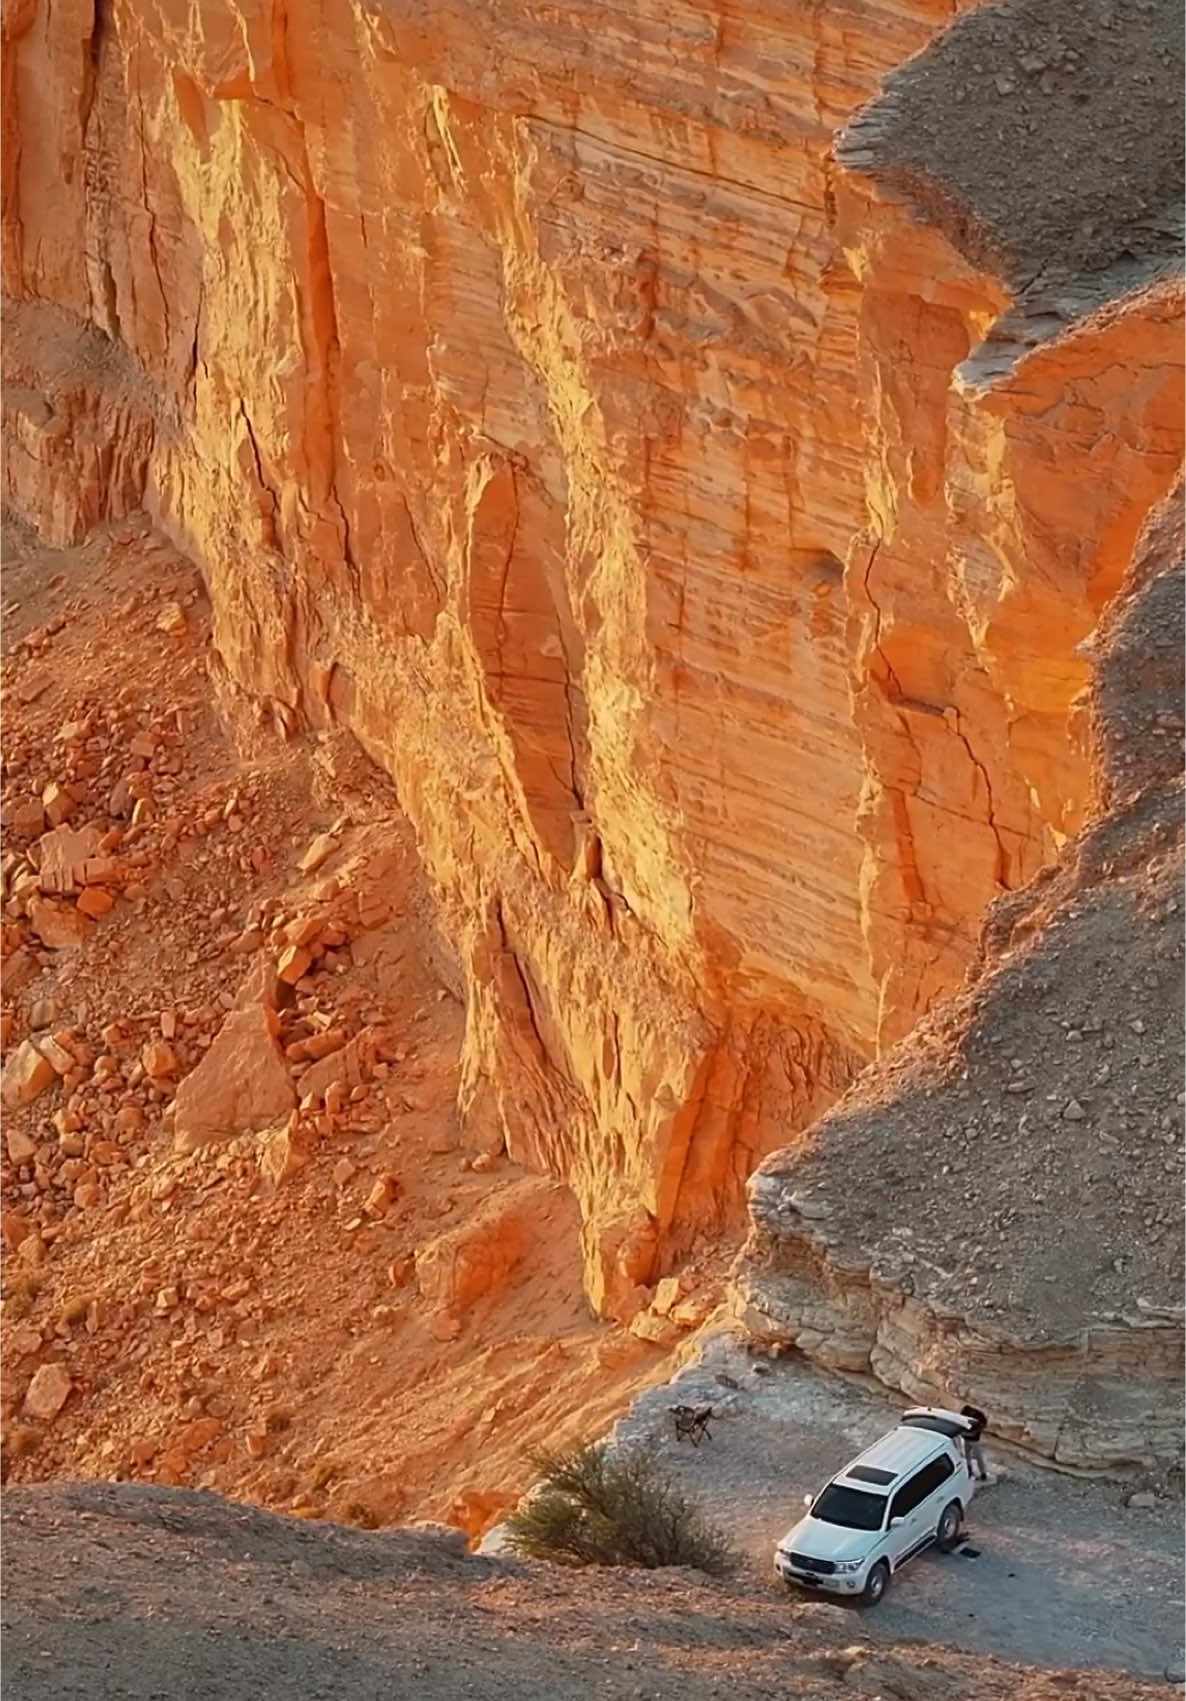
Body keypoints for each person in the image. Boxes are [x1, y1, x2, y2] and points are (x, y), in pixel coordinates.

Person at [960, 1404, 989, 1482]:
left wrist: (973, 1432)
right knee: (968, 1456)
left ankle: (983, 1474)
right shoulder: (966, 1414)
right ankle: (970, 1470)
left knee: (977, 1457)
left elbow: (983, 1425)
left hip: (974, 1439)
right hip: (967, 1438)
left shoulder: (978, 1416)